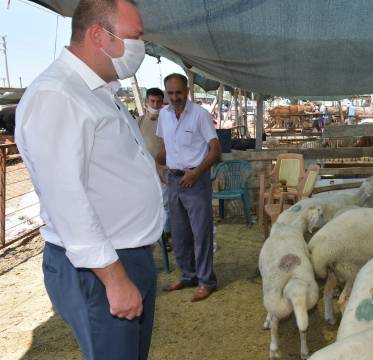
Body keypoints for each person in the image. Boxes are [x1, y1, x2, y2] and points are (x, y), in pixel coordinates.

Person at [14, 1, 163, 359]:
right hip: (99, 267)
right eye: (135, 37)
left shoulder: (99, 91)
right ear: (99, 34)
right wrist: (114, 278)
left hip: (124, 254)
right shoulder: (58, 95)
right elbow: (65, 198)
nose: (140, 47)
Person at [156, 73, 221, 302]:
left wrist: (197, 173)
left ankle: (206, 281)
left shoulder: (200, 115)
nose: (175, 97)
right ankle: (188, 275)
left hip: (196, 180)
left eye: (178, 92)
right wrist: (158, 165)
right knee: (180, 233)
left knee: (201, 233)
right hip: (174, 181)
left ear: (187, 91)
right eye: (170, 93)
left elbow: (215, 150)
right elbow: (166, 146)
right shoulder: (164, 115)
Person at [138, 88, 171, 241]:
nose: (155, 105)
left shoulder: (168, 120)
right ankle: (153, 235)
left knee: (165, 203)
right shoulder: (138, 121)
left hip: (164, 170)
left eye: (159, 102)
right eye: (152, 101)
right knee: (149, 203)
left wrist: (161, 165)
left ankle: (166, 234)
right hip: (145, 171)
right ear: (146, 102)